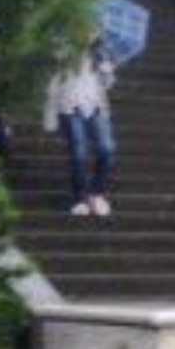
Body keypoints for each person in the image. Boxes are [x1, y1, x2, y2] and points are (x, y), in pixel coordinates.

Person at [44, 38, 116, 217]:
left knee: (106, 148)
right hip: (70, 106)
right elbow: (52, 81)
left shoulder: (101, 53)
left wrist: (107, 71)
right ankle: (79, 198)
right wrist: (50, 114)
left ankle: (97, 193)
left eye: (93, 30)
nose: (90, 33)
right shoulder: (64, 48)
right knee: (79, 153)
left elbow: (108, 84)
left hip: (96, 106)